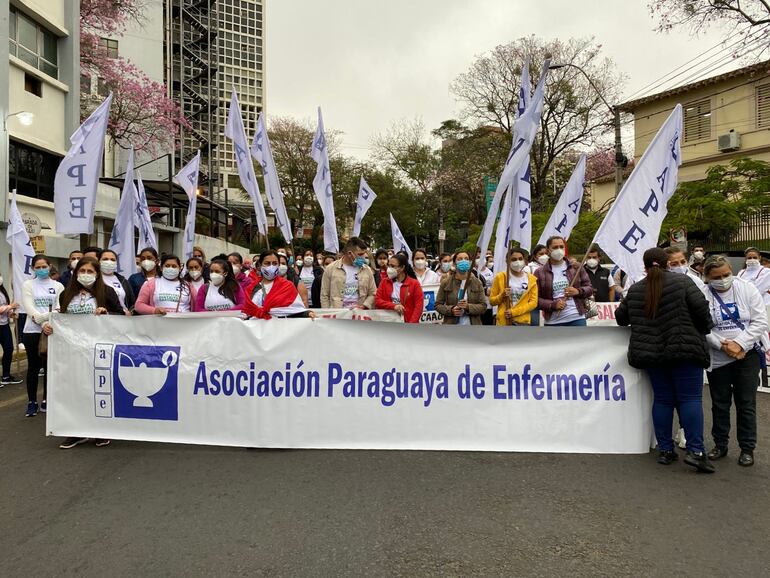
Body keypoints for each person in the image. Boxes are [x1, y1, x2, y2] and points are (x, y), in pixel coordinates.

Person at [615, 247, 715, 473]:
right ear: (668, 264)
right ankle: (696, 451)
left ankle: (665, 450)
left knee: (662, 400)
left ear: (645, 266)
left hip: (651, 354)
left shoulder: (637, 289)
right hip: (685, 349)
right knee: (690, 399)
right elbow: (703, 313)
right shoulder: (684, 283)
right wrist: (700, 330)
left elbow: (621, 319)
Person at [702, 255, 767, 467]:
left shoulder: (747, 288)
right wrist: (722, 345)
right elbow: (702, 327)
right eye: (717, 277)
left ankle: (747, 448)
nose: (723, 280)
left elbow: (759, 321)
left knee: (746, 403)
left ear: (731, 271)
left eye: (726, 275)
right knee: (720, 403)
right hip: (719, 355)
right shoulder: (702, 295)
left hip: (746, 354)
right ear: (707, 278)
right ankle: (720, 444)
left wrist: (739, 344)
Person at [55, 256, 124, 449]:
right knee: (74, 391)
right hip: (73, 351)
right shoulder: (66, 294)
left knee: (97, 391)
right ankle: (75, 431)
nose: (85, 275)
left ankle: (100, 430)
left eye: (90, 271)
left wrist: (107, 314)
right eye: (82, 271)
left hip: (99, 351)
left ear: (97, 274)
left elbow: (122, 316)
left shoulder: (107, 292)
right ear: (75, 274)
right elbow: (62, 319)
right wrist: (50, 327)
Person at [21, 255, 65, 417]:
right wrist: (42, 323)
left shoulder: (58, 286)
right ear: (33, 269)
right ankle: (32, 402)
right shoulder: (28, 285)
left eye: (43, 267)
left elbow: (59, 308)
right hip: (32, 331)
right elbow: (29, 307)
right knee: (33, 367)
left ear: (50, 266)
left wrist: (46, 321)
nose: (41, 270)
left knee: (49, 368)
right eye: (37, 267)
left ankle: (47, 399)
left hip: (52, 330)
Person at [534, 236, 593, 327]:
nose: (559, 250)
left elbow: (589, 288)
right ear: (548, 250)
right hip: (553, 322)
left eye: (561, 247)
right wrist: (552, 305)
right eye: (555, 247)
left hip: (576, 318)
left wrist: (578, 291)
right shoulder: (539, 272)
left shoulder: (576, 267)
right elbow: (535, 299)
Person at [243, 250, 309, 319]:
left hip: (279, 327)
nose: (271, 267)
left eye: (275, 263)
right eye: (267, 263)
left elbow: (297, 311)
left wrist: (307, 313)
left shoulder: (288, 286)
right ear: (260, 265)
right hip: (256, 328)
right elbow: (246, 312)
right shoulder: (251, 288)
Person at [320, 237, 377, 309]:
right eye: (360, 254)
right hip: (337, 316)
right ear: (350, 253)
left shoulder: (367, 270)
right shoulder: (331, 269)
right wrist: (327, 314)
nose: (363, 257)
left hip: (359, 316)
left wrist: (364, 306)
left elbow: (373, 293)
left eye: (364, 254)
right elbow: (324, 295)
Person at [435, 251, 486, 325]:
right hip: (452, 326)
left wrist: (468, 307)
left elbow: (483, 306)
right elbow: (438, 305)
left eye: (466, 259)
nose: (463, 261)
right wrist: (451, 310)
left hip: (473, 327)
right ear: (454, 263)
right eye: (460, 259)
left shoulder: (477, 282)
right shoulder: (446, 282)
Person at [489, 248, 538, 326]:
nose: (517, 261)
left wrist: (514, 312)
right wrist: (502, 296)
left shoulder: (531, 279)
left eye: (520, 259)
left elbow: (533, 303)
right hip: (504, 322)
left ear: (524, 261)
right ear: (507, 261)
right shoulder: (500, 277)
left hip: (523, 322)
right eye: (514, 259)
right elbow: (492, 301)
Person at [375, 252, 424, 323]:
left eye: (393, 266)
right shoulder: (384, 282)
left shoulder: (414, 284)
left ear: (402, 268)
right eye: (389, 265)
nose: (389, 268)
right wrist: (393, 306)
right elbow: (377, 301)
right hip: (388, 322)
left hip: (408, 324)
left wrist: (411, 325)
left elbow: (418, 308)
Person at [0, 275, 21, 387]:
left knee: (8, 349)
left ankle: (6, 376)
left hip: (4, 325)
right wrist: (10, 306)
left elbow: (4, 308)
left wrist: (10, 313)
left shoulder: (2, 292)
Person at [99, 249, 136, 314]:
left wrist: (131, 312)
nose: (109, 262)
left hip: (124, 319)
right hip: (104, 318)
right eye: (105, 259)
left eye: (112, 260)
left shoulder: (123, 280)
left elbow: (132, 302)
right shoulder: (94, 279)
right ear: (98, 261)